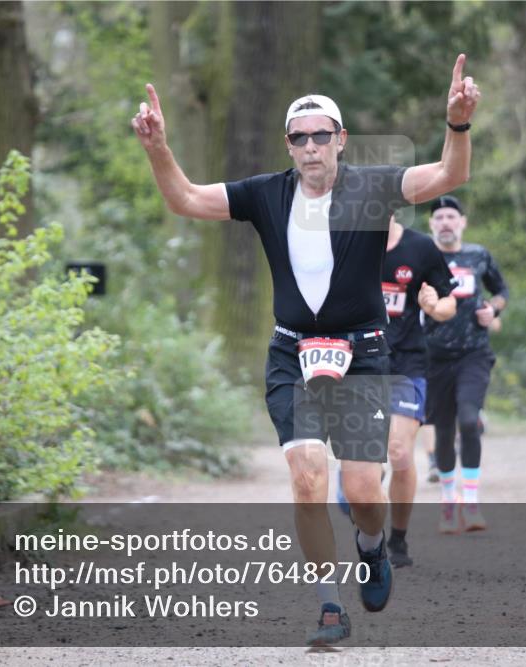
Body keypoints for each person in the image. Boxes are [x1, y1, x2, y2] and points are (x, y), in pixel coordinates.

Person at [131, 55, 480, 645]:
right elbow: (185, 199)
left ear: (341, 140)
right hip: (293, 354)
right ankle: (327, 604)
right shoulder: (266, 195)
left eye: (322, 135)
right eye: (300, 138)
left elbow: (448, 176)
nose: (312, 146)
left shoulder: (372, 187)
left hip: (364, 352)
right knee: (307, 477)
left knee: (365, 492)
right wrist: (158, 147)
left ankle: (372, 550)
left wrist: (459, 124)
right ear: (288, 146)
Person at [422, 195, 508, 534]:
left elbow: (500, 290)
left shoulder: (478, 255)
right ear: (431, 225)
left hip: (474, 353)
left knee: (469, 421)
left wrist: (494, 310)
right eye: (439, 217)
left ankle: (470, 502)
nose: (445, 222)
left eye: (450, 217)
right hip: (434, 356)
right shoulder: (421, 257)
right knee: (443, 432)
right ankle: (448, 501)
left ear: (462, 222)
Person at [381, 213, 457, 567]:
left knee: (398, 451)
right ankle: (365, 522)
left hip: (407, 363)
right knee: (362, 463)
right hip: (356, 364)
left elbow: (448, 302)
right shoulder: (344, 244)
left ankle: (397, 538)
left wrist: (433, 307)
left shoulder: (420, 248)